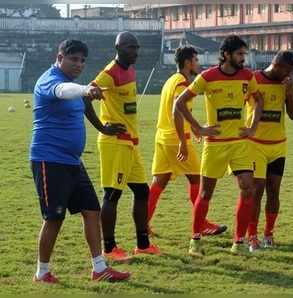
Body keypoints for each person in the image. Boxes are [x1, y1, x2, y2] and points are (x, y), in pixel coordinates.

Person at [30, 39, 130, 283]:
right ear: (60, 56)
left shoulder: (74, 85)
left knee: (91, 210)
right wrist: (86, 89)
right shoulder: (49, 81)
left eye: (83, 60)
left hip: (73, 162)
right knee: (54, 218)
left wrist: (103, 128)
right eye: (73, 59)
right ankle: (42, 272)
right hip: (49, 160)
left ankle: (99, 268)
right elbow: (64, 92)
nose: (79, 64)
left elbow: (83, 104)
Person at [174, 35, 264, 257]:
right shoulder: (208, 77)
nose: (244, 58)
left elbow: (259, 99)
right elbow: (180, 102)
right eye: (239, 54)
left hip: (240, 144)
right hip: (215, 144)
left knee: (248, 188)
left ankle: (239, 242)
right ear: (226, 54)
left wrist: (252, 127)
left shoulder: (247, 76)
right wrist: (198, 128)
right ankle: (195, 240)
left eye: (244, 54)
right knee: (205, 193)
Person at [91, 32, 160, 263]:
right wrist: (102, 127)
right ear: (118, 47)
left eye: (137, 47)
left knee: (142, 192)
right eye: (131, 47)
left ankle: (143, 244)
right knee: (112, 194)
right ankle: (109, 248)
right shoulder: (108, 73)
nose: (136, 52)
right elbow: (85, 96)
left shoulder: (130, 69)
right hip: (115, 143)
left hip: (130, 143)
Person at [148, 46, 227, 236]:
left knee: (160, 181)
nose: (198, 63)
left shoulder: (171, 81)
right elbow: (177, 111)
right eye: (196, 60)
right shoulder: (182, 83)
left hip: (163, 137)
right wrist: (185, 139)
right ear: (187, 62)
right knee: (197, 180)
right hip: (176, 139)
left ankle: (143, 223)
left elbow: (180, 112)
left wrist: (193, 128)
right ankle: (202, 224)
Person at [246, 51, 293, 252]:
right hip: (255, 145)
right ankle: (252, 236)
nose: (288, 74)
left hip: (278, 146)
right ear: (276, 64)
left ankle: (268, 233)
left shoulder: (285, 84)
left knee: (274, 191)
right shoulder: (254, 79)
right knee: (257, 190)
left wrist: (289, 93)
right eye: (286, 69)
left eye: (291, 71)